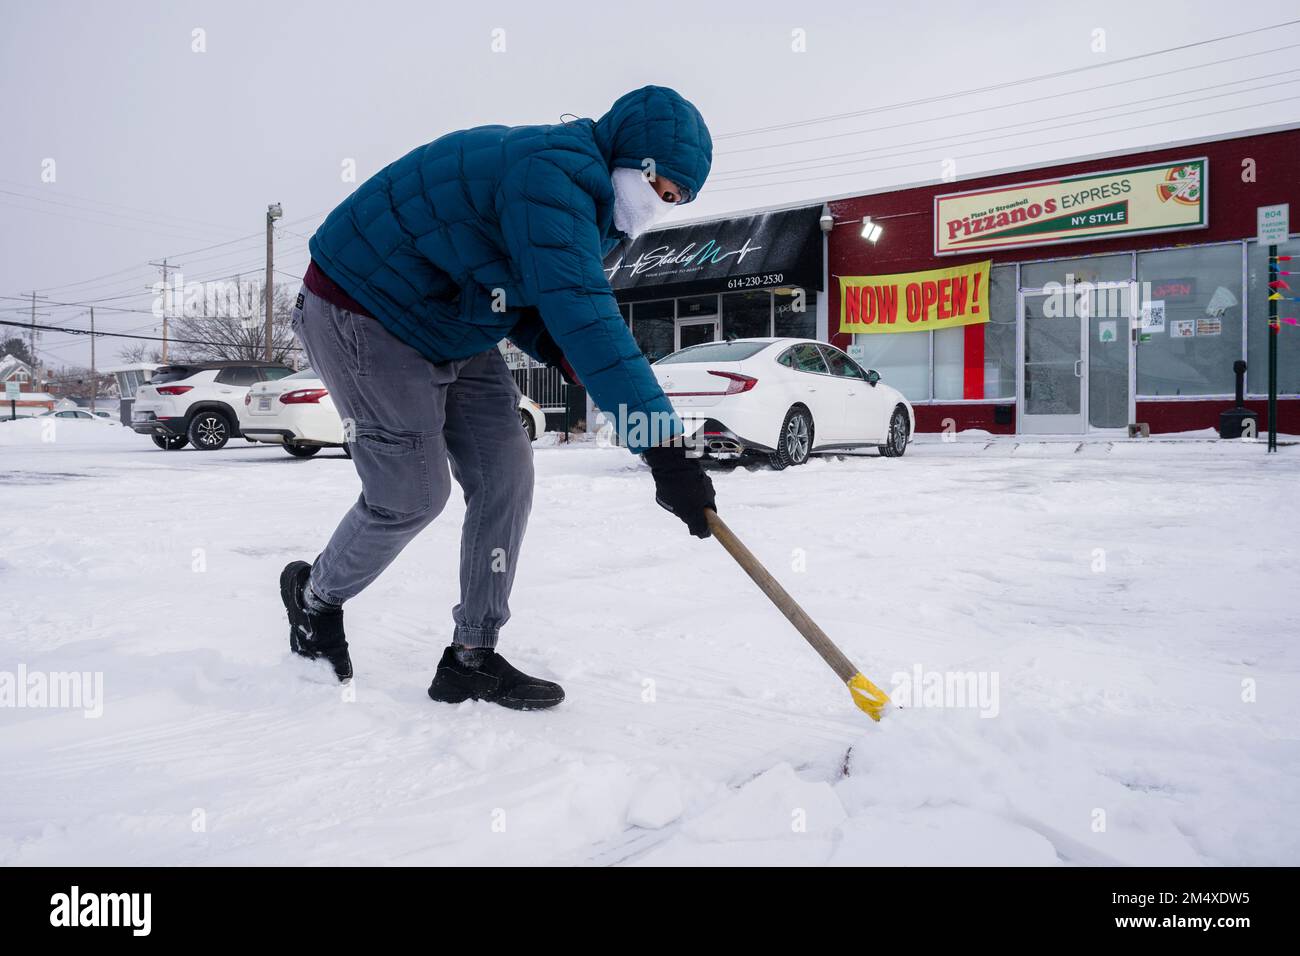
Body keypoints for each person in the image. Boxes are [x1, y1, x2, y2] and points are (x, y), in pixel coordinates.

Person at [279, 86, 717, 710]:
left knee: (507, 473)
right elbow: (586, 314)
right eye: (662, 189)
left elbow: (522, 300)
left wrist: (566, 355)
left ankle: (471, 657)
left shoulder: (596, 210)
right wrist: (667, 451)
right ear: (630, 157)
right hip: (364, 307)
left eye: (676, 201)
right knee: (411, 495)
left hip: (454, 319)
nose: (660, 207)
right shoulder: (554, 175)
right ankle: (313, 598)